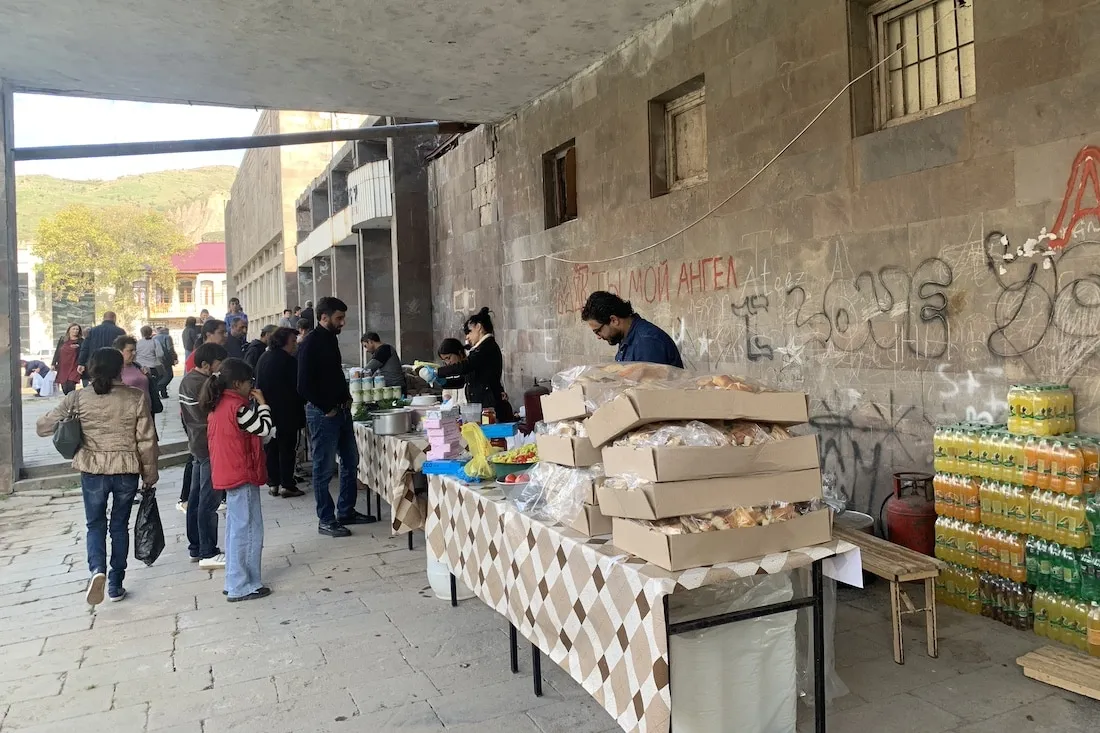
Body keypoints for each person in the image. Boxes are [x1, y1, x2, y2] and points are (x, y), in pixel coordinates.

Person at [37, 347, 158, 605]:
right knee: (119, 526)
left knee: (95, 524)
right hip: (126, 469)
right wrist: (150, 474)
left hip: (92, 469)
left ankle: (97, 570)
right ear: (119, 369)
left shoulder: (79, 398)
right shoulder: (135, 397)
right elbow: (146, 440)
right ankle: (115, 584)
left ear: (91, 368)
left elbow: (42, 426)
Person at [297, 296, 375, 537]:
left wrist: (346, 397)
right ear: (324, 317)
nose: (342, 323)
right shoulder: (310, 343)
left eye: (343, 318)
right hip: (323, 413)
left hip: (341, 410)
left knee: (350, 461)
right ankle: (326, 518)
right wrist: (325, 406)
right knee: (324, 468)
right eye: (338, 318)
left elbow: (334, 375)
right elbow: (303, 386)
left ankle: (346, 510)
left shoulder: (331, 340)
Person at [199, 358, 273, 602]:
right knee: (249, 529)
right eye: (249, 382)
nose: (251, 385)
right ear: (239, 383)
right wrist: (263, 404)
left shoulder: (218, 405)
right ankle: (242, 584)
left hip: (229, 471)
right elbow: (264, 429)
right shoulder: (238, 408)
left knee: (235, 528)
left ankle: (233, 578)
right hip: (243, 472)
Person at [180, 342, 228, 569]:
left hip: (197, 445)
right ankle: (208, 550)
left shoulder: (188, 380)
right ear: (206, 364)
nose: (221, 368)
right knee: (208, 501)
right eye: (219, 364)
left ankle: (196, 547)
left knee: (197, 499)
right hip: (208, 447)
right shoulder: (202, 384)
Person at [435, 308, 515, 421]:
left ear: (479, 327)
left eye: (469, 332)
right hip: (481, 408)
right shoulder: (479, 349)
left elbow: (465, 366)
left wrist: (438, 371)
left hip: (490, 408)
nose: (467, 337)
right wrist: (445, 382)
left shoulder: (487, 347)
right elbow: (465, 379)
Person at [256, 327, 305, 498]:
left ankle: (273, 483)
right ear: (284, 342)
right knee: (287, 449)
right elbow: (298, 387)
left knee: (272, 448)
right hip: (287, 412)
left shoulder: (264, 357)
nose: (295, 345)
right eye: (292, 342)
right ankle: (287, 484)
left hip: (268, 412)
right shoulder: (288, 361)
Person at [581, 291, 683, 368]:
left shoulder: (646, 342)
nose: (598, 337)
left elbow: (650, 391)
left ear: (613, 320)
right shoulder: (627, 337)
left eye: (598, 331)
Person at [115, 335, 160, 418]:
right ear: (119, 352)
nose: (134, 353)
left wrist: (148, 376)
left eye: (135, 350)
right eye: (130, 350)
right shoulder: (116, 371)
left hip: (148, 411)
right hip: (130, 415)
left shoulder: (137, 366)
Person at [77, 311, 126, 376]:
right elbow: (124, 348)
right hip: (113, 363)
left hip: (95, 363)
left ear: (103, 318)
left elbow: (85, 347)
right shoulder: (120, 331)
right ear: (114, 318)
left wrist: (81, 363)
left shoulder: (93, 330)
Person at [52, 324, 84, 395]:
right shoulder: (62, 339)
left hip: (74, 366)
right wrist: (53, 363)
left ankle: (72, 402)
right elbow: (57, 351)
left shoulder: (81, 341)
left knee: (70, 385)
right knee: (65, 387)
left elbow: (83, 353)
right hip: (63, 366)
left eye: (77, 329)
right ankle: (68, 402)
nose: (75, 331)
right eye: (73, 329)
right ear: (69, 330)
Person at [436, 338, 468, 406]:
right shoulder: (449, 371)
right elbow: (447, 391)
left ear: (459, 353)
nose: (447, 363)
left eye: (448, 358)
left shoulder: (469, 367)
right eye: (444, 360)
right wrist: (446, 397)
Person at [154, 327, 178, 399]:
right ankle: (158, 388)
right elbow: (170, 349)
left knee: (161, 376)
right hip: (166, 359)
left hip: (157, 360)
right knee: (169, 375)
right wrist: (174, 358)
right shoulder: (167, 337)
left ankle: (164, 393)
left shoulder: (154, 337)